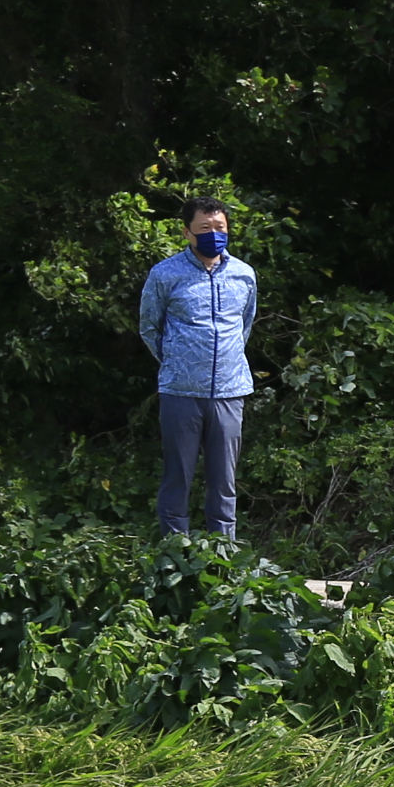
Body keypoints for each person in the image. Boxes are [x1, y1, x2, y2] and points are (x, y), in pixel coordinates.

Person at [139, 198, 257, 537]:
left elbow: (244, 325)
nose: (213, 234)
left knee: (224, 483)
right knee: (178, 477)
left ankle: (224, 558)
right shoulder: (165, 274)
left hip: (230, 391)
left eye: (219, 227)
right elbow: (149, 327)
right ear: (187, 232)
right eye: (205, 228)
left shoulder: (244, 275)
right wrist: (179, 360)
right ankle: (175, 557)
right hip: (180, 391)